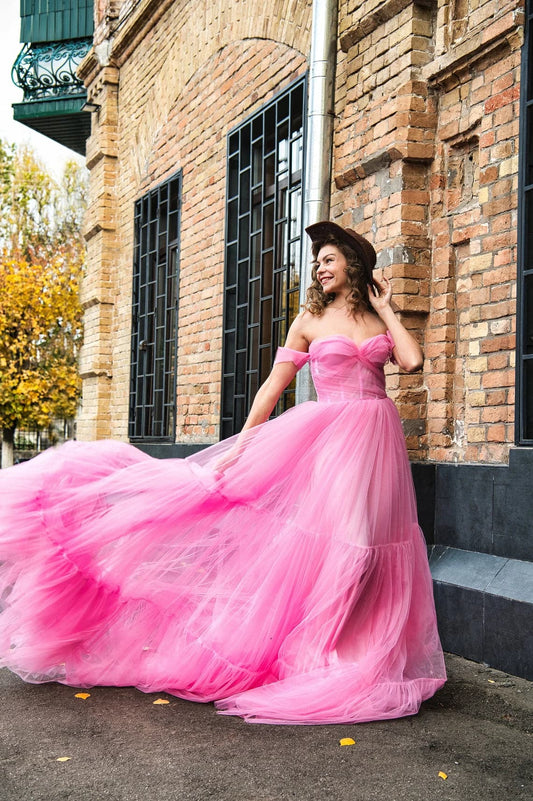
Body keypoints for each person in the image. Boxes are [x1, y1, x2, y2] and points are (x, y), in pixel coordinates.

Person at [0, 221, 446, 725]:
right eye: (316, 260)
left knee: (381, 547)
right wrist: (244, 445)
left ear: (353, 263)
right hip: (331, 442)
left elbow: (411, 361)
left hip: (378, 442)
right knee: (350, 543)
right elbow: (270, 391)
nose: (318, 268)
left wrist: (386, 306)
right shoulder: (307, 322)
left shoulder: (375, 318)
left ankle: (366, 651)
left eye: (327, 259)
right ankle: (321, 652)